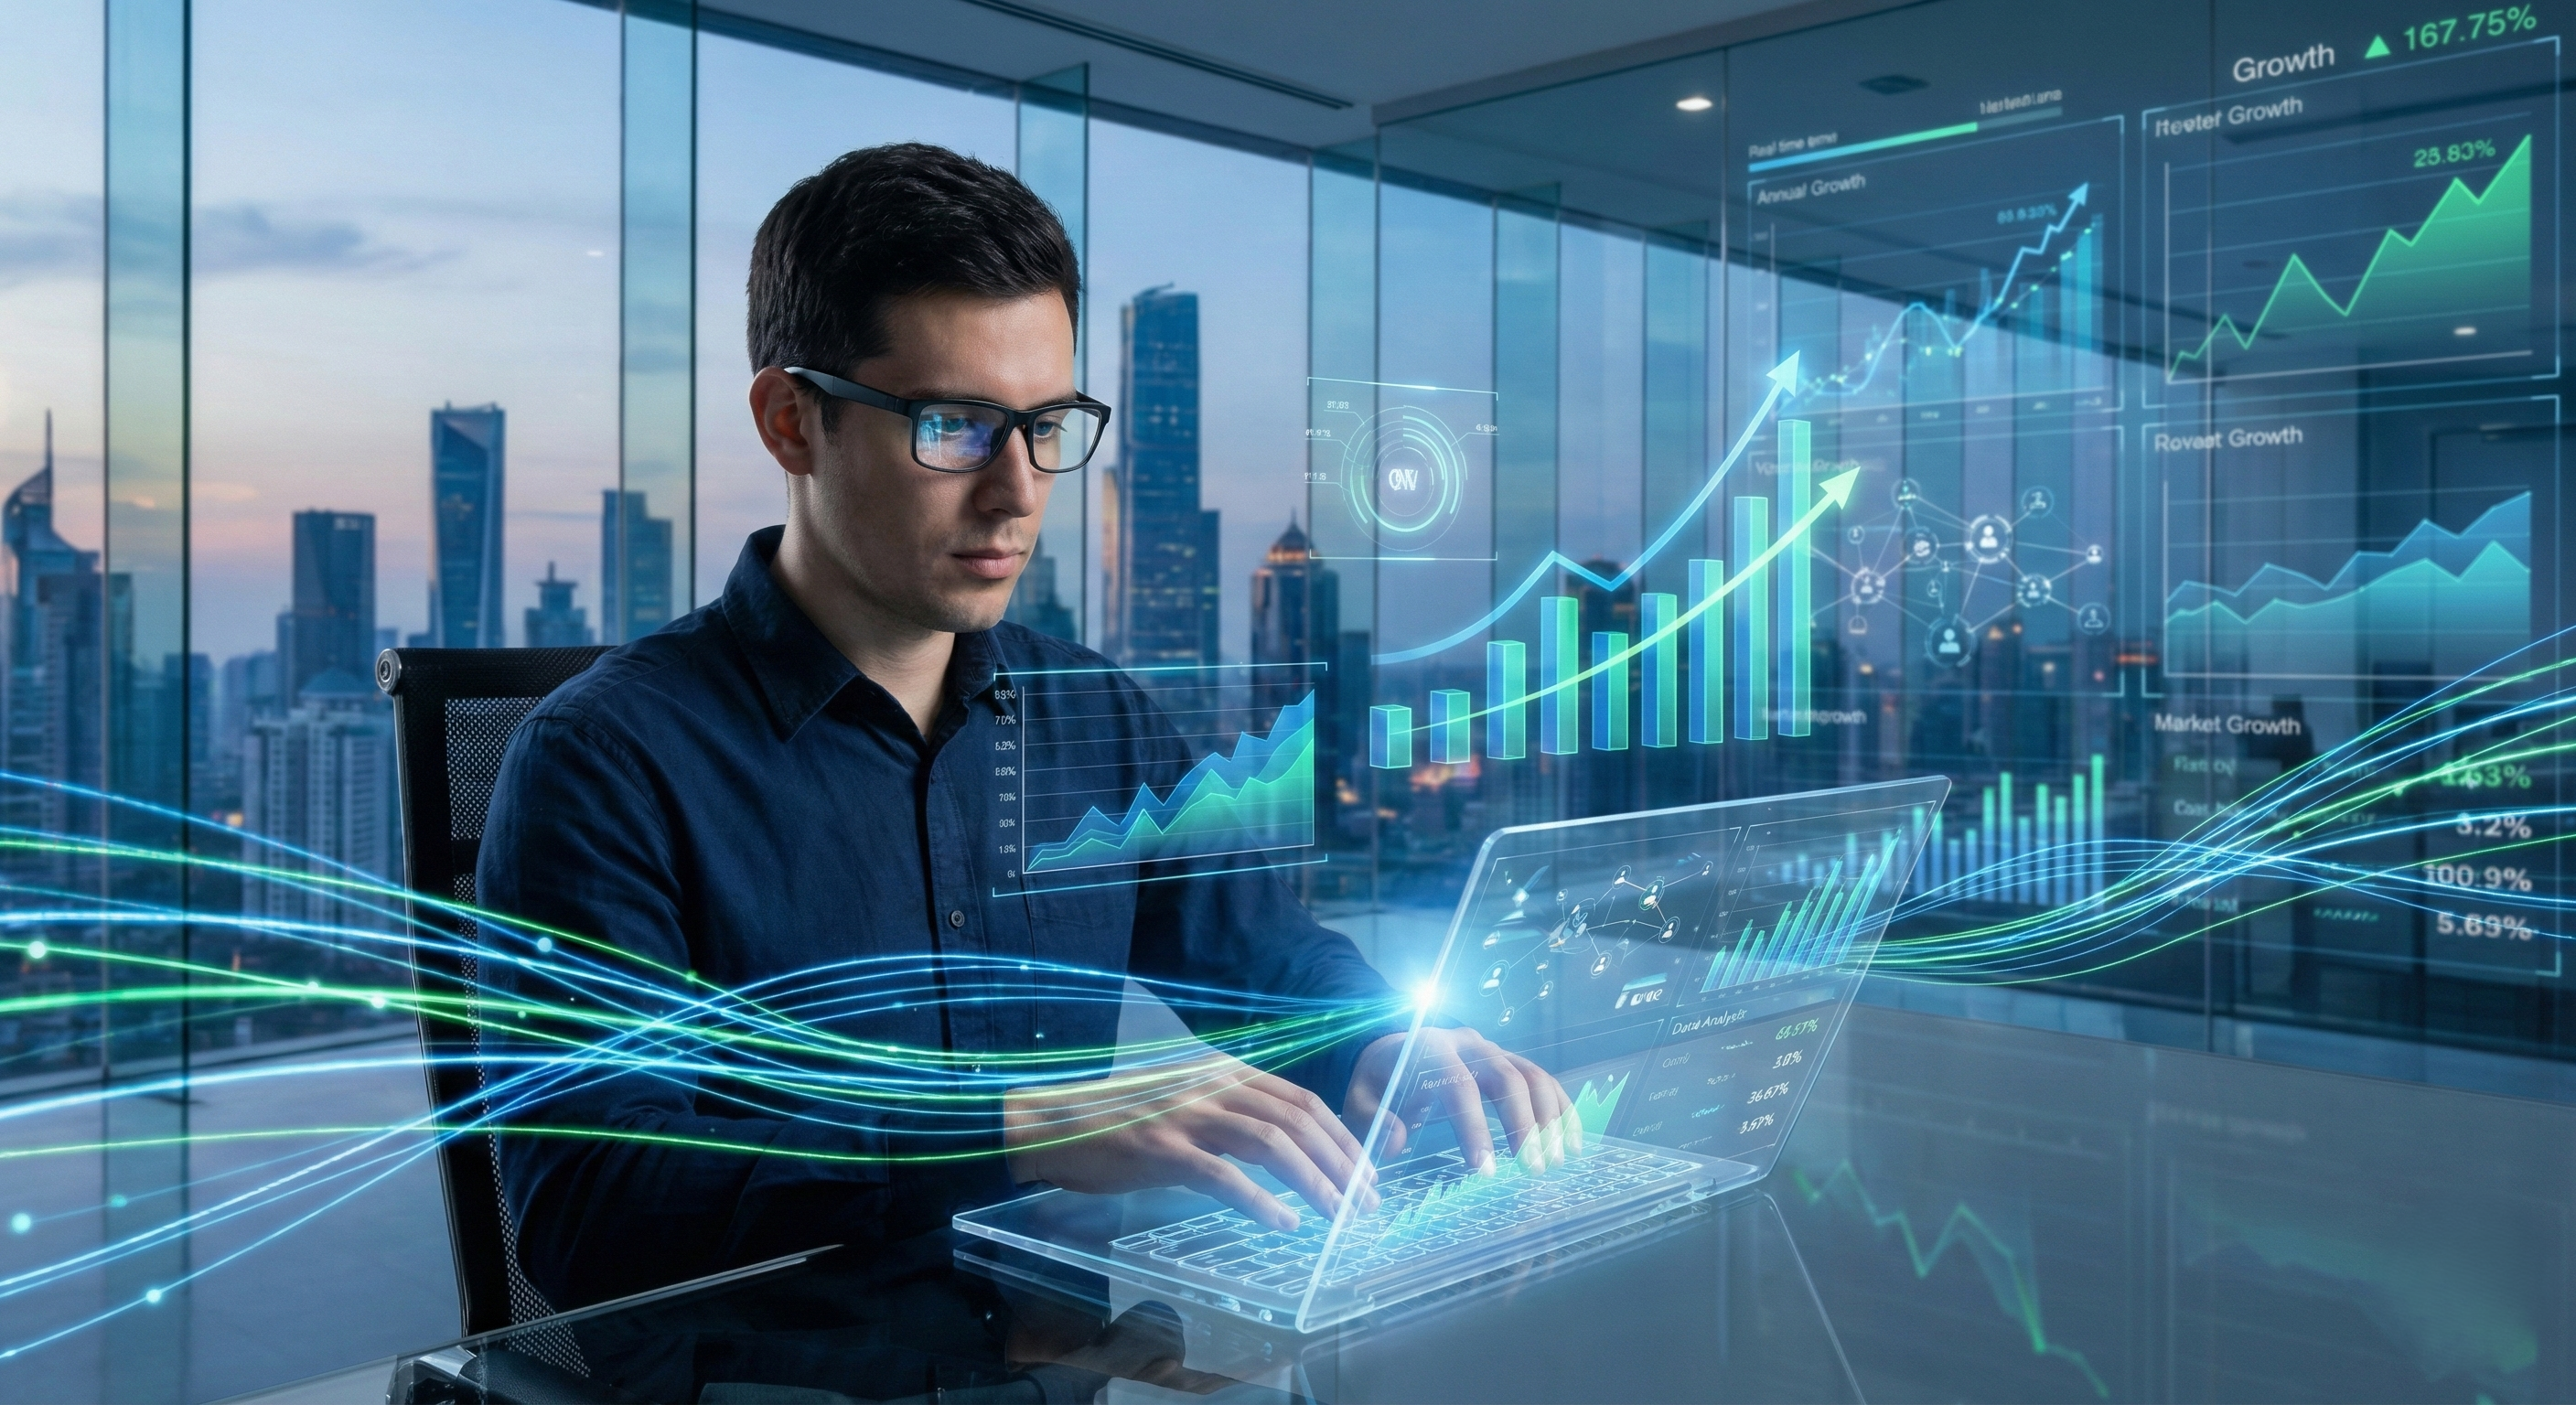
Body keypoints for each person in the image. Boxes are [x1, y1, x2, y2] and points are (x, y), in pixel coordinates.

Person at [477, 143, 1566, 1310]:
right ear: (791, 422)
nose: (1017, 491)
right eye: (953, 426)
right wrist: (1006, 1129)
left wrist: (1377, 1046)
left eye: (1047, 425)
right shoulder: (605, 763)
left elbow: (1262, 956)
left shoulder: (1091, 715)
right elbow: (583, 1205)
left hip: (1065, 1349)